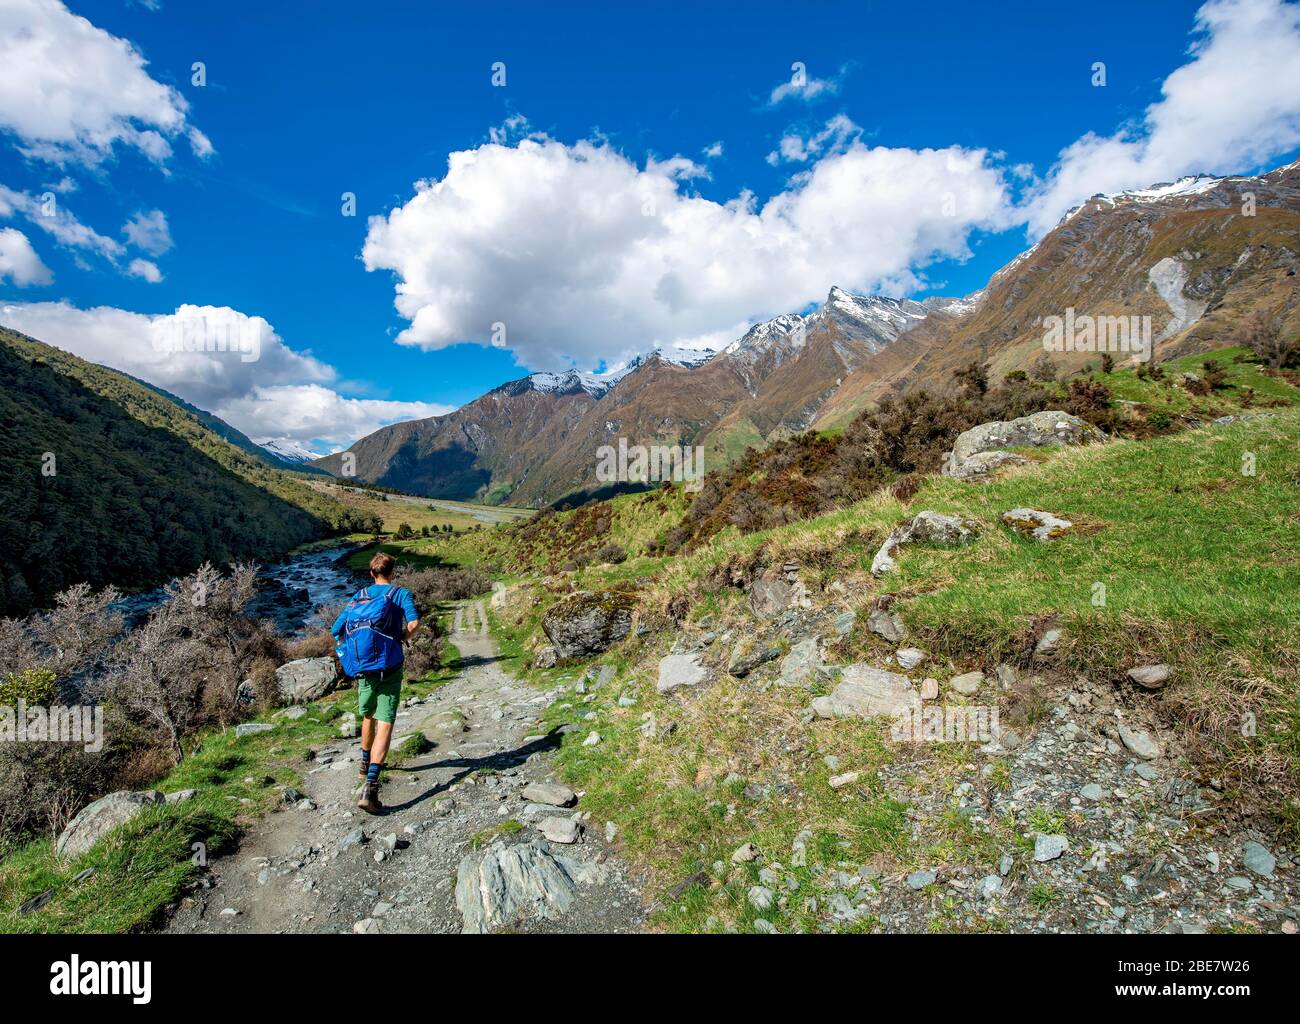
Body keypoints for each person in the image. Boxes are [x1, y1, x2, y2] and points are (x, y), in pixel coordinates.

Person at [331, 552, 420, 813]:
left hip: (363, 670)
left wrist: (352, 651)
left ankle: (363, 763)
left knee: (368, 715)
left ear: (371, 573)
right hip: (389, 668)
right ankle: (370, 787)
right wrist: (403, 637)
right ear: (392, 572)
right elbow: (414, 622)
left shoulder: (359, 595)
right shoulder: (399, 593)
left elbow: (336, 629)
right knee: (386, 723)